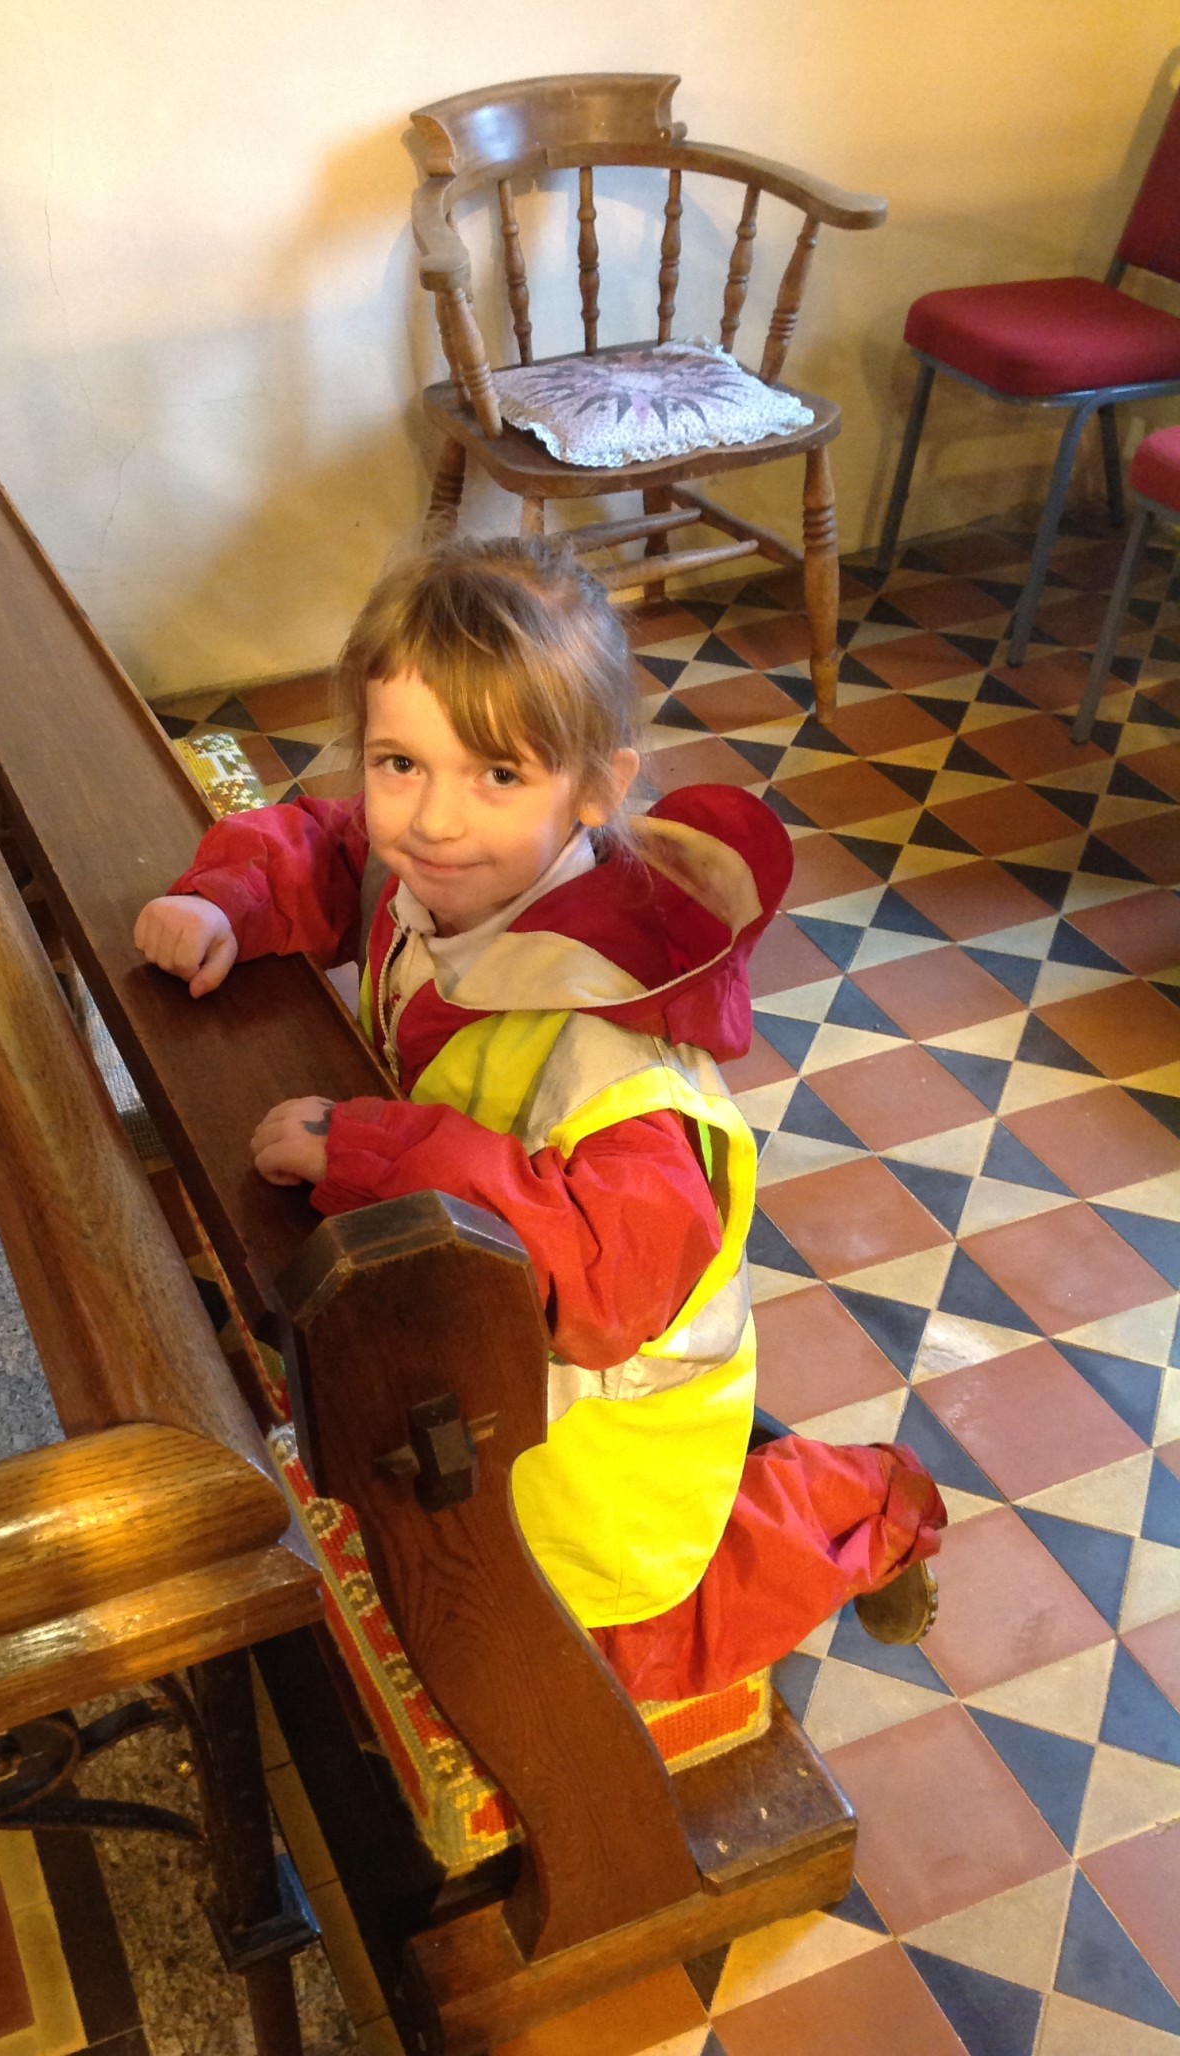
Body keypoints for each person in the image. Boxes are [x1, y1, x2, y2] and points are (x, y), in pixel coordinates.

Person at [134, 536, 945, 1703]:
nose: (433, 820)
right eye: (399, 761)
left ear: (597, 790)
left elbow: (600, 1290)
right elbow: (326, 843)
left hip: (603, 1439)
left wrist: (369, 1150)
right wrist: (225, 900)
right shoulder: (435, 867)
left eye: (497, 775)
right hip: (488, 1373)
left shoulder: (613, 1049)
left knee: (610, 1660)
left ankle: (870, 1500)